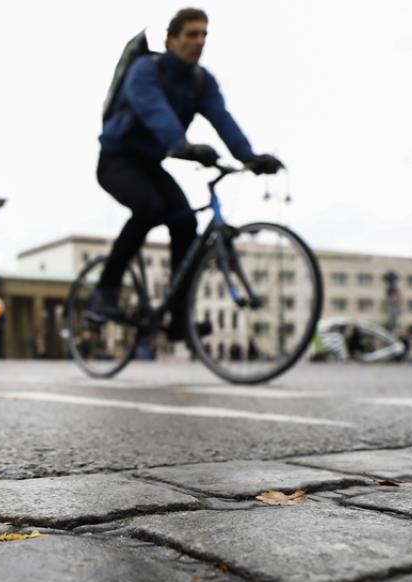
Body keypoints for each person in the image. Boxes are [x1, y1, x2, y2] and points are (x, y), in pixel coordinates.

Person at [89, 7, 283, 344]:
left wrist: (249, 157)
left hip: (151, 165)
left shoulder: (201, 82)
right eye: (192, 34)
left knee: (185, 223)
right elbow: (153, 108)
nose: (199, 41)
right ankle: (105, 290)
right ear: (171, 40)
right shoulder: (146, 69)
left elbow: (222, 118)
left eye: (204, 34)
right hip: (117, 160)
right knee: (149, 208)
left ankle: (179, 320)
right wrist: (181, 145)